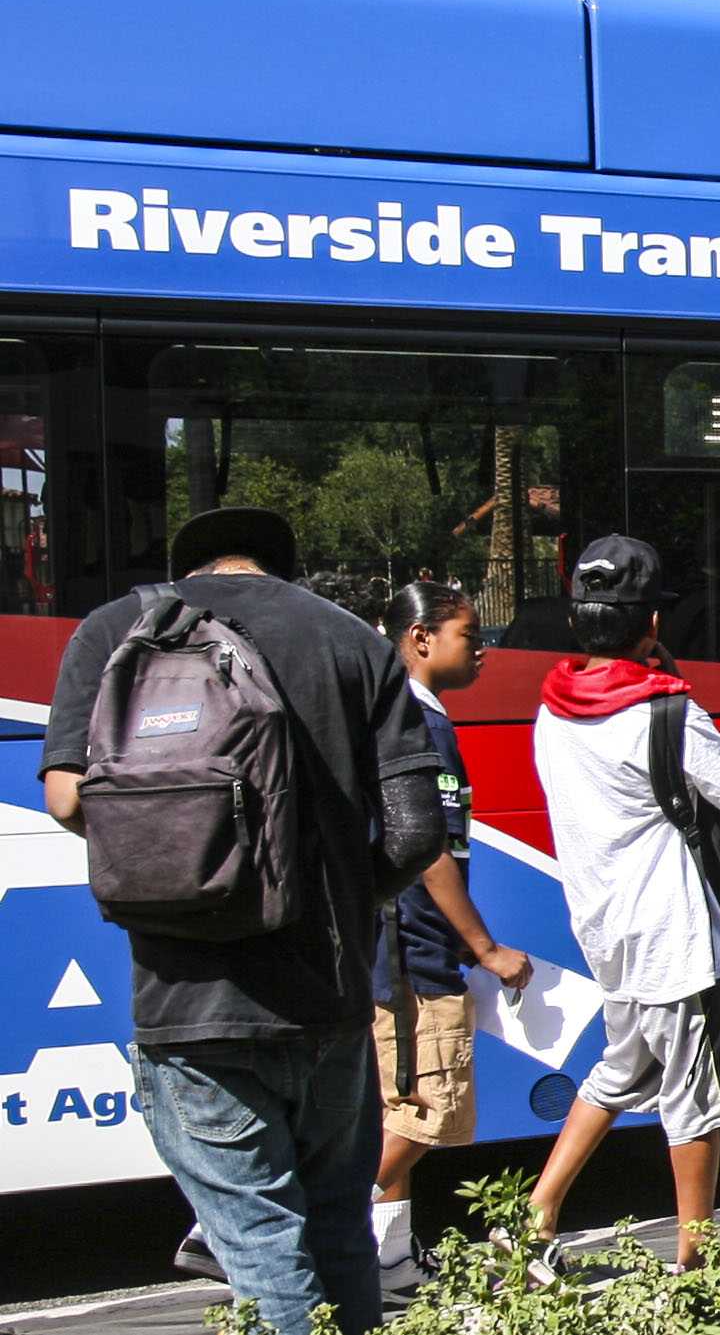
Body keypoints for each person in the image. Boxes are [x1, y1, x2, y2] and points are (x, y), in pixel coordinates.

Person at [40, 507, 444, 1335]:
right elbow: (414, 833)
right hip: (326, 1000)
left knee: (262, 1241)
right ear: (280, 568)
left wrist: (183, 859)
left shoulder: (115, 628)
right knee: (339, 1226)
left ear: (193, 566)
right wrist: (333, 892)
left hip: (186, 1001)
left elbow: (66, 796)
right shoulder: (353, 641)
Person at [518, 534, 720, 1278]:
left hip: (605, 927)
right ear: (653, 624)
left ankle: (536, 1215)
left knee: (619, 1070)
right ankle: (696, 1262)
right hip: (672, 933)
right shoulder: (667, 712)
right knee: (696, 1100)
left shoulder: (554, 708)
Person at [369, 582, 534, 1295]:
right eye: (471, 635)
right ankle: (275, 1220)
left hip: (407, 942)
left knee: (402, 1104)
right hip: (416, 947)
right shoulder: (419, 723)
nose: (484, 652)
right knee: (432, 1109)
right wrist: (485, 947)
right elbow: (428, 850)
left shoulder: (407, 714)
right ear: (420, 637)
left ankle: (391, 1257)